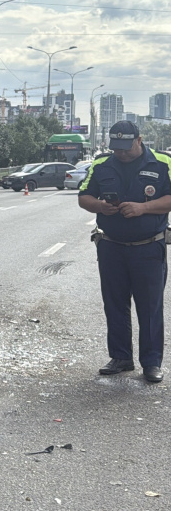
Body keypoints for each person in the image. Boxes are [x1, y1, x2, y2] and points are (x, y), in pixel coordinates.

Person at [79, 120, 171, 383]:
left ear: (139, 141)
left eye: (126, 147)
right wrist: (99, 206)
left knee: (150, 307)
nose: (121, 152)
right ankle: (120, 357)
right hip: (111, 246)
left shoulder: (163, 163)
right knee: (115, 304)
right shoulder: (101, 164)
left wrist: (144, 208)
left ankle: (151, 363)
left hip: (148, 247)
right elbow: (83, 196)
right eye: (116, 147)